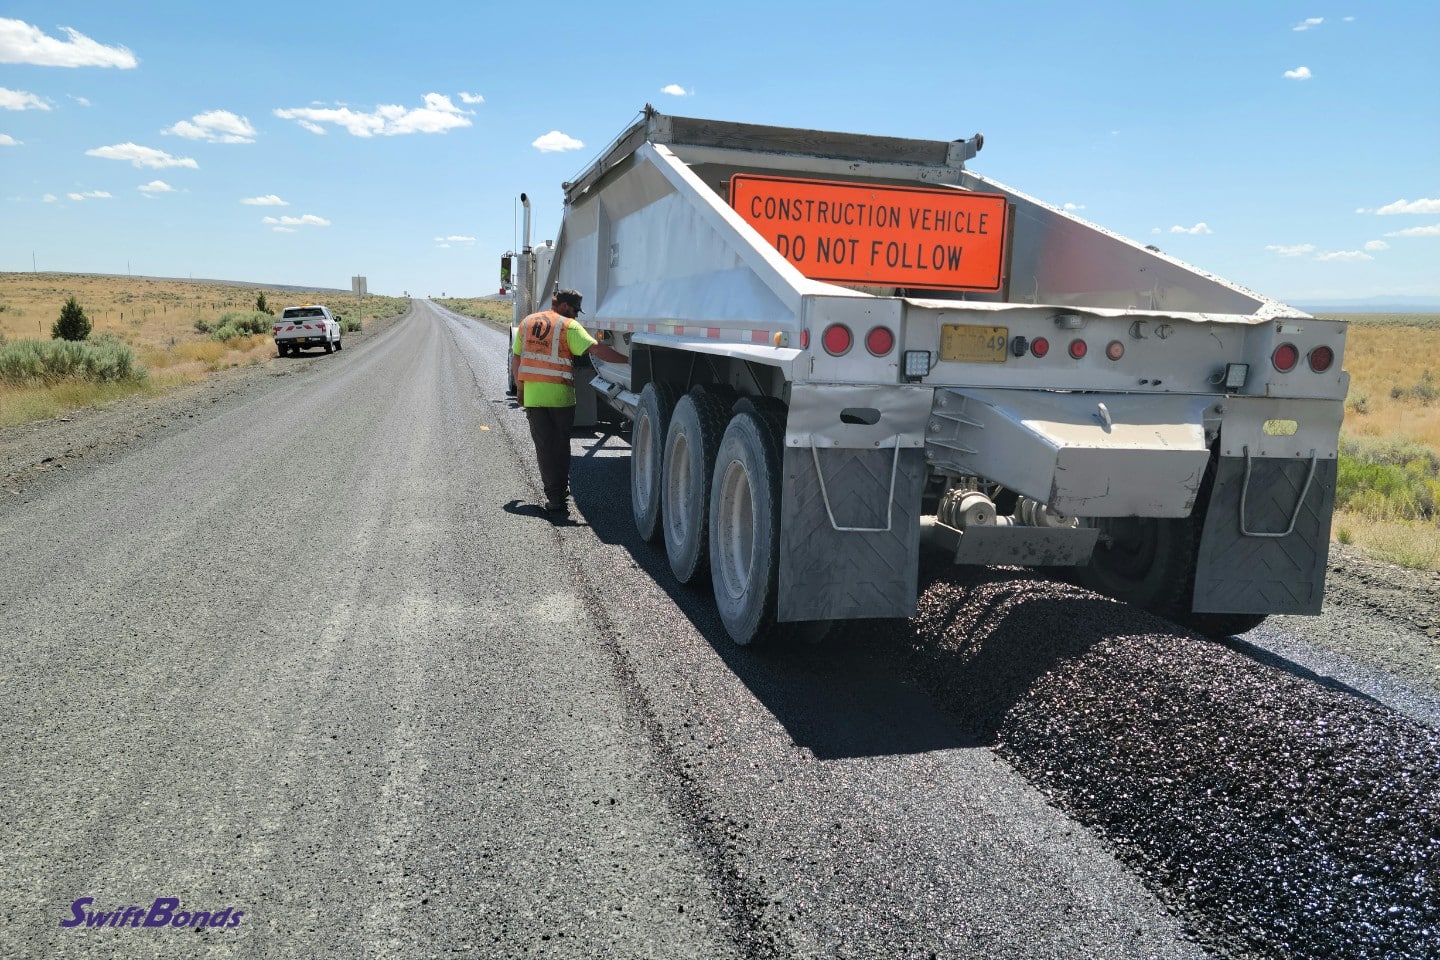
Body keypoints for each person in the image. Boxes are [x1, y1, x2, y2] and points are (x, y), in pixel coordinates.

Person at [511, 288, 628, 513]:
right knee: (561, 445)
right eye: (574, 310)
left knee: (544, 448)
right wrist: (628, 360)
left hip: (535, 398)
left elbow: (517, 357)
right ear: (564, 306)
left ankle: (554, 497)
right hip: (561, 398)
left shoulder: (527, 323)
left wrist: (520, 388)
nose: (575, 316)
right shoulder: (568, 326)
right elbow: (597, 350)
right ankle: (560, 490)